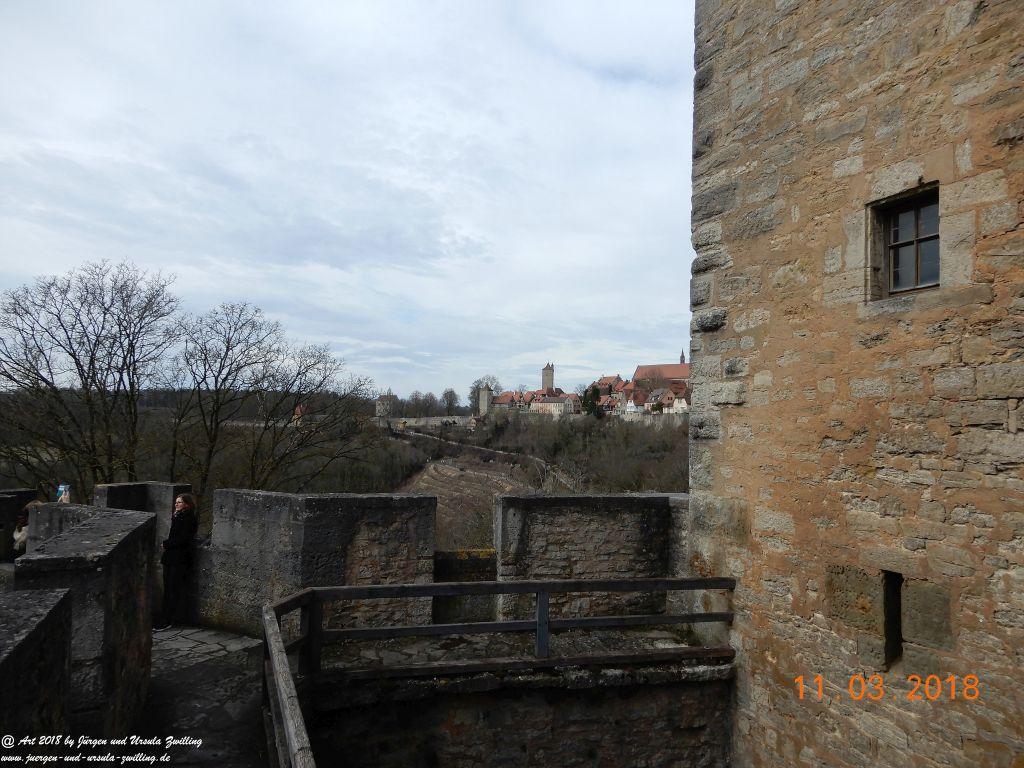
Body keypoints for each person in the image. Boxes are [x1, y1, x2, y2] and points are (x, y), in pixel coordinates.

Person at [156, 493, 198, 630]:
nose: (176, 504)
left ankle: (168, 619)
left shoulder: (189, 518)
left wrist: (167, 544)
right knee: (168, 589)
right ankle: (164, 617)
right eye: (176, 502)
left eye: (179, 502)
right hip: (171, 558)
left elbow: (183, 539)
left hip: (179, 559)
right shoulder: (178, 516)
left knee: (173, 590)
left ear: (187, 504)